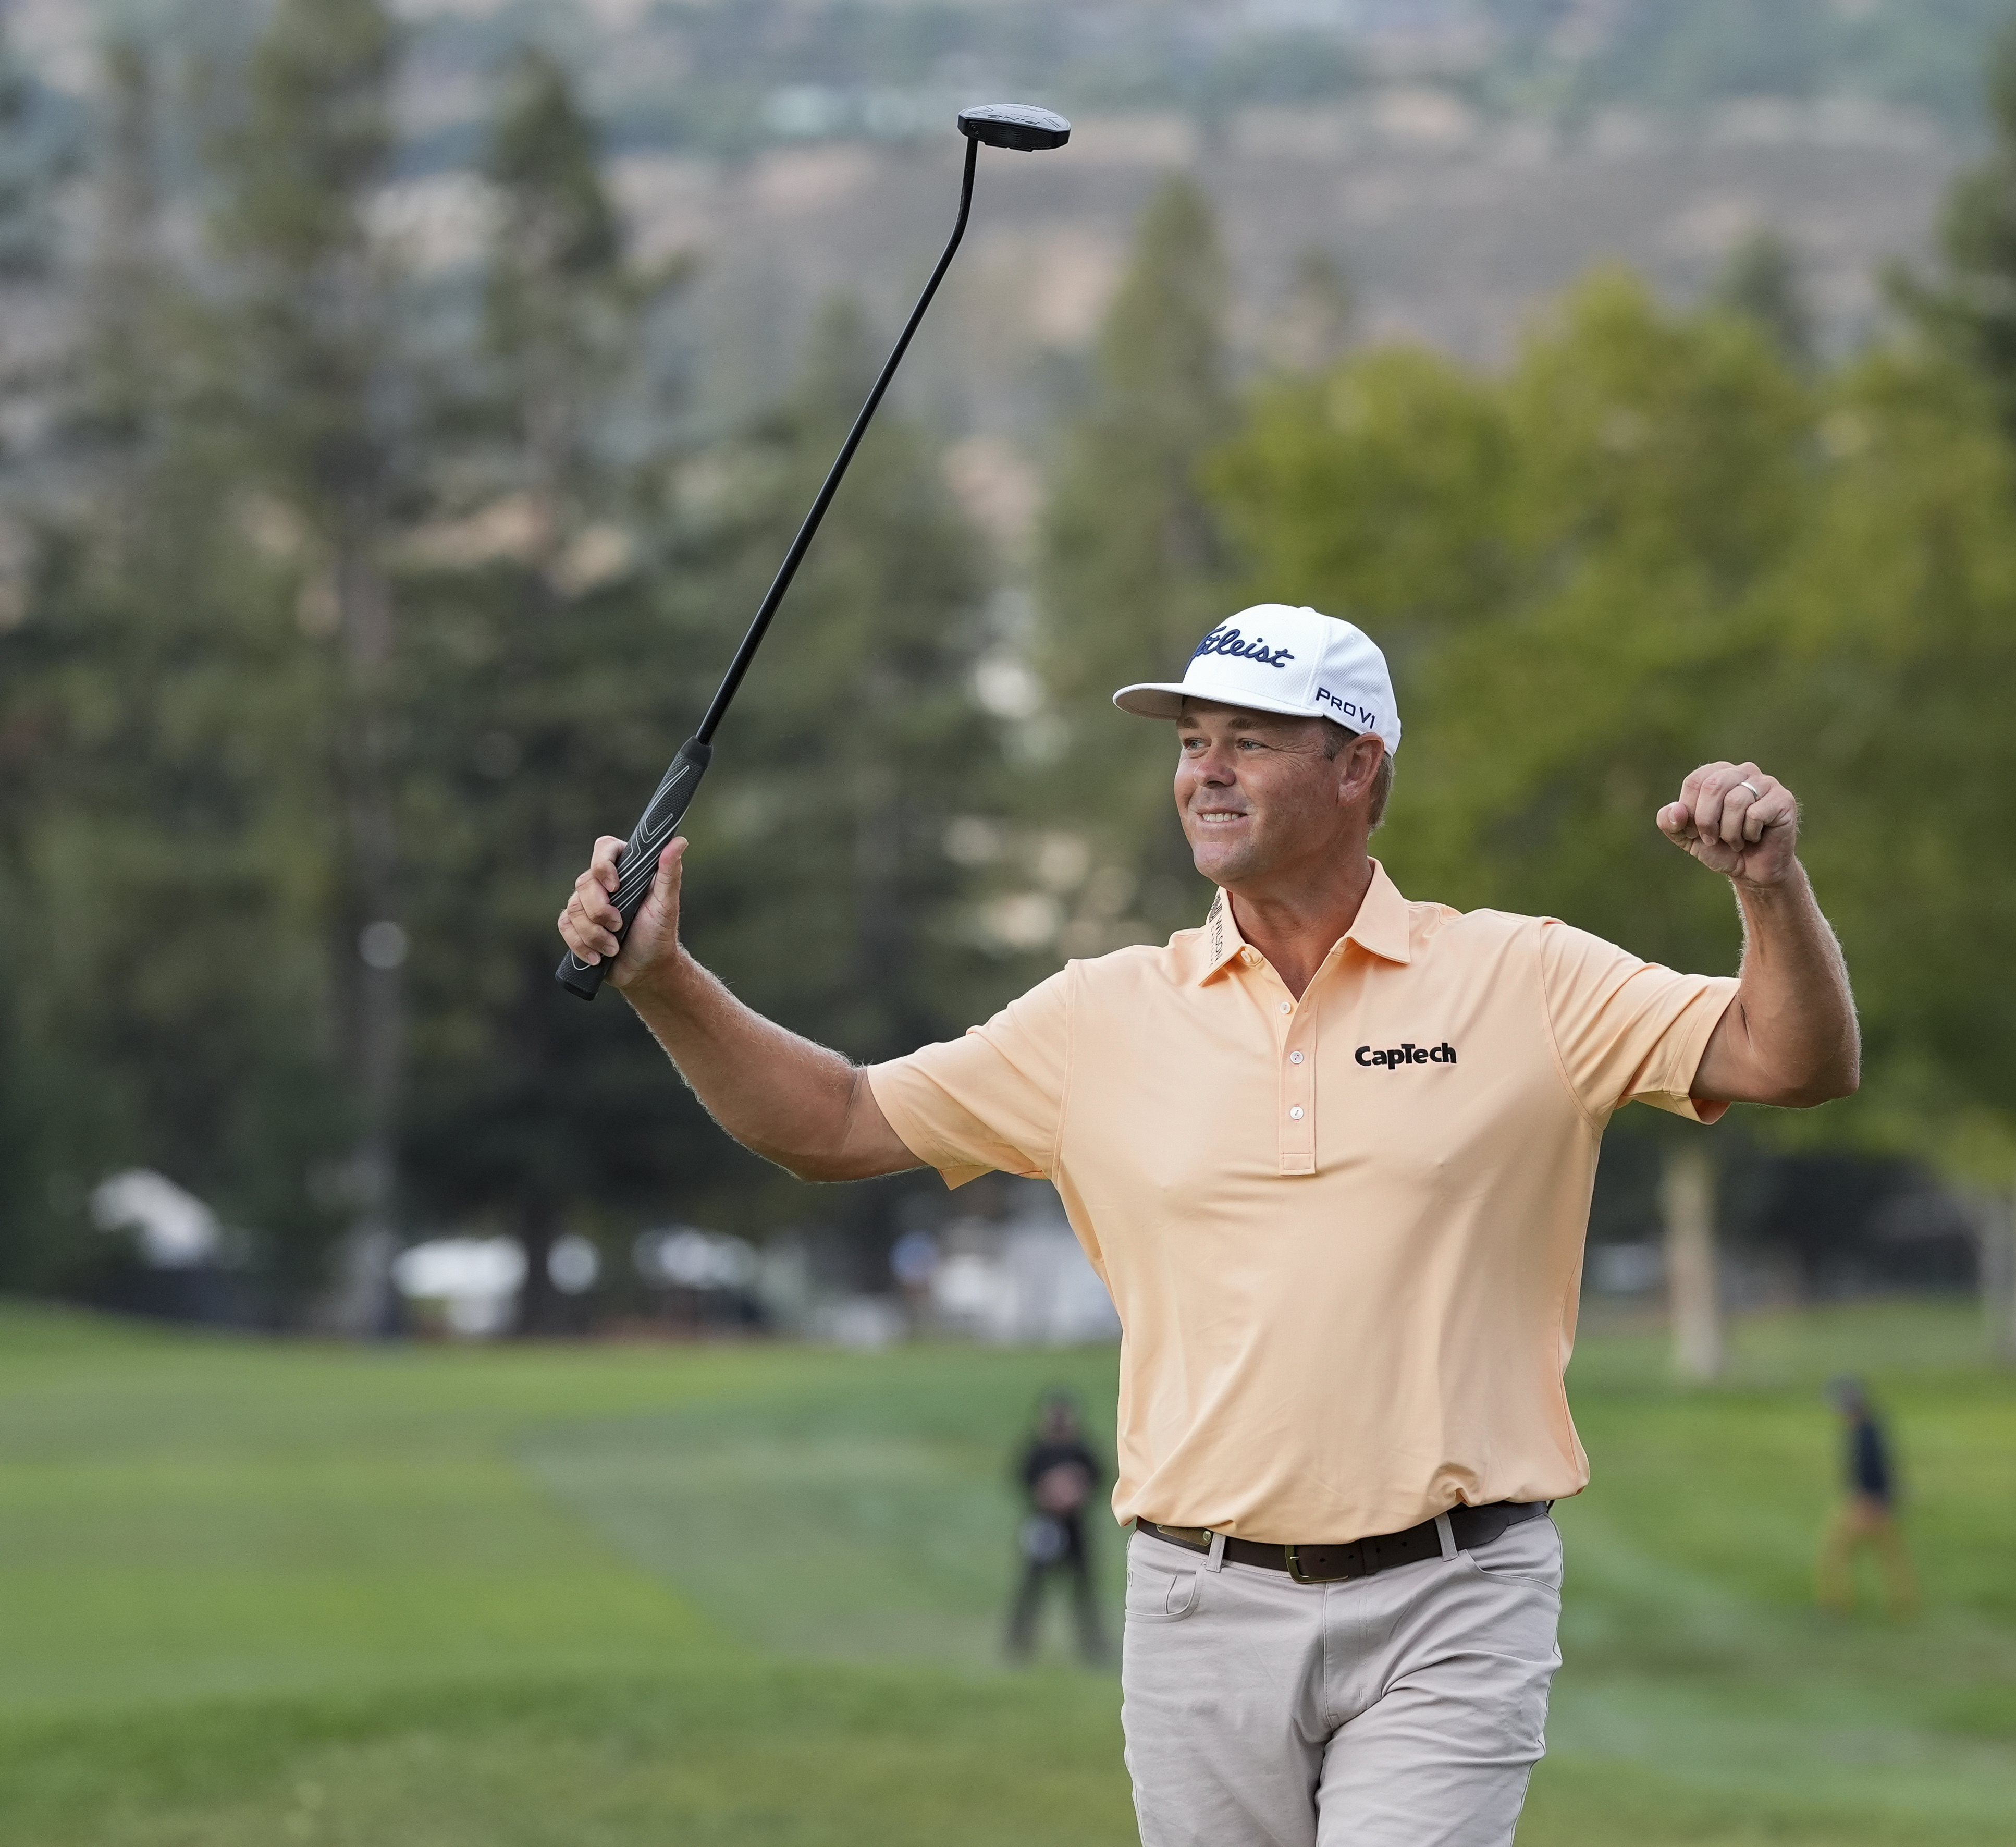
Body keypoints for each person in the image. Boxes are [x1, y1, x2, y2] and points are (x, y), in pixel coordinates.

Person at [557, 602, 1859, 1846]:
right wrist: (663, 980)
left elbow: (1789, 1057)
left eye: (1249, 739)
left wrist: (1768, 889)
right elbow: (836, 1121)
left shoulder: (1522, 975)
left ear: (1357, 766)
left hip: (1455, 1599)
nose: (1206, 772)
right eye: (1191, 742)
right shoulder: (1100, 1016)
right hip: (1200, 1603)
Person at [1006, 1388, 1109, 1665]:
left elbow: (1099, 1478)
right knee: (1032, 1587)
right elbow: (1023, 1478)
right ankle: (1019, 1643)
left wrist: (1077, 1491)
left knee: (1084, 1589)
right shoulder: (1038, 1449)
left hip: (1076, 1526)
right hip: (1045, 1526)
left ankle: (1093, 1645)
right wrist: (1047, 1493)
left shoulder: (1081, 1449)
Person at [1815, 1375, 1914, 1616]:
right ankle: (1905, 1607)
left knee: (1835, 1556)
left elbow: (1872, 1467)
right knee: (1891, 1558)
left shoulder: (1864, 1433)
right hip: (1877, 1502)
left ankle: (1836, 1605)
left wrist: (1869, 1501)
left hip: (1866, 1504)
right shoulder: (1869, 1427)